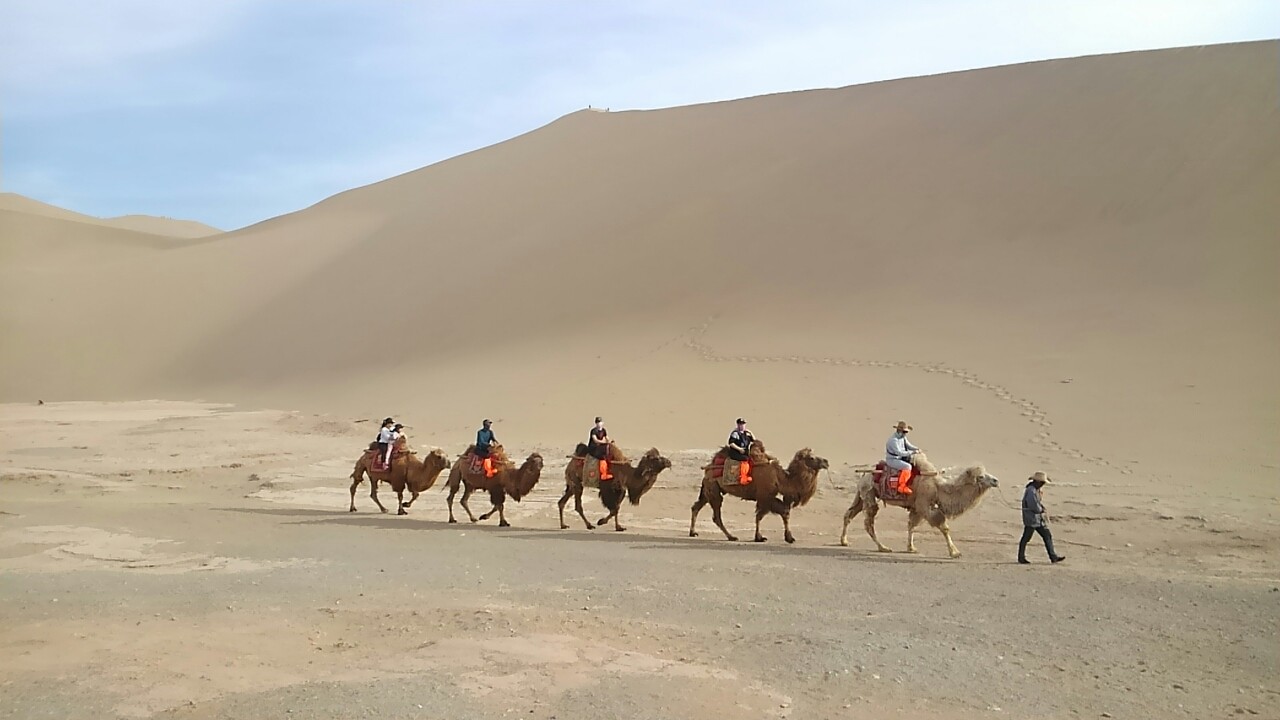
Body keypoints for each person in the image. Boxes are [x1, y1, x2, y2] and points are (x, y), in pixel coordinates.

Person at [1019, 471, 1066, 564]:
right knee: (1026, 538)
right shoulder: (1031, 491)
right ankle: (1021, 557)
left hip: (1036, 519)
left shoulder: (1033, 489)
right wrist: (1040, 509)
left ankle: (1053, 556)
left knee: (1046, 535)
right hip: (1032, 518)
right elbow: (1033, 505)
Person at [884, 421, 921, 495]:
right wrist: (912, 452)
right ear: (899, 431)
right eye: (904, 432)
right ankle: (902, 486)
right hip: (893, 460)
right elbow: (900, 453)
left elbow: (909, 446)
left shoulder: (903, 437)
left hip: (901, 458)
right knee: (907, 467)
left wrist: (917, 449)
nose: (905, 434)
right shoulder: (893, 440)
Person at [726, 418, 755, 485]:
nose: (742, 426)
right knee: (745, 459)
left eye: (743, 424)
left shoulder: (746, 434)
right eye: (740, 424)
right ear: (738, 425)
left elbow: (754, 441)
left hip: (744, 452)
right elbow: (731, 443)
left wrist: (750, 433)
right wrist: (739, 449)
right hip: (736, 452)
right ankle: (743, 478)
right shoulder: (735, 434)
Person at [587, 416, 613, 480]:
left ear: (602, 423)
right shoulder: (593, 431)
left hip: (600, 446)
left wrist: (609, 442)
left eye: (600, 422)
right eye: (598, 422)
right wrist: (603, 442)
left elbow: (607, 437)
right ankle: (603, 474)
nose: (599, 423)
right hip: (594, 448)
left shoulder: (603, 430)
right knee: (602, 457)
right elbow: (595, 440)